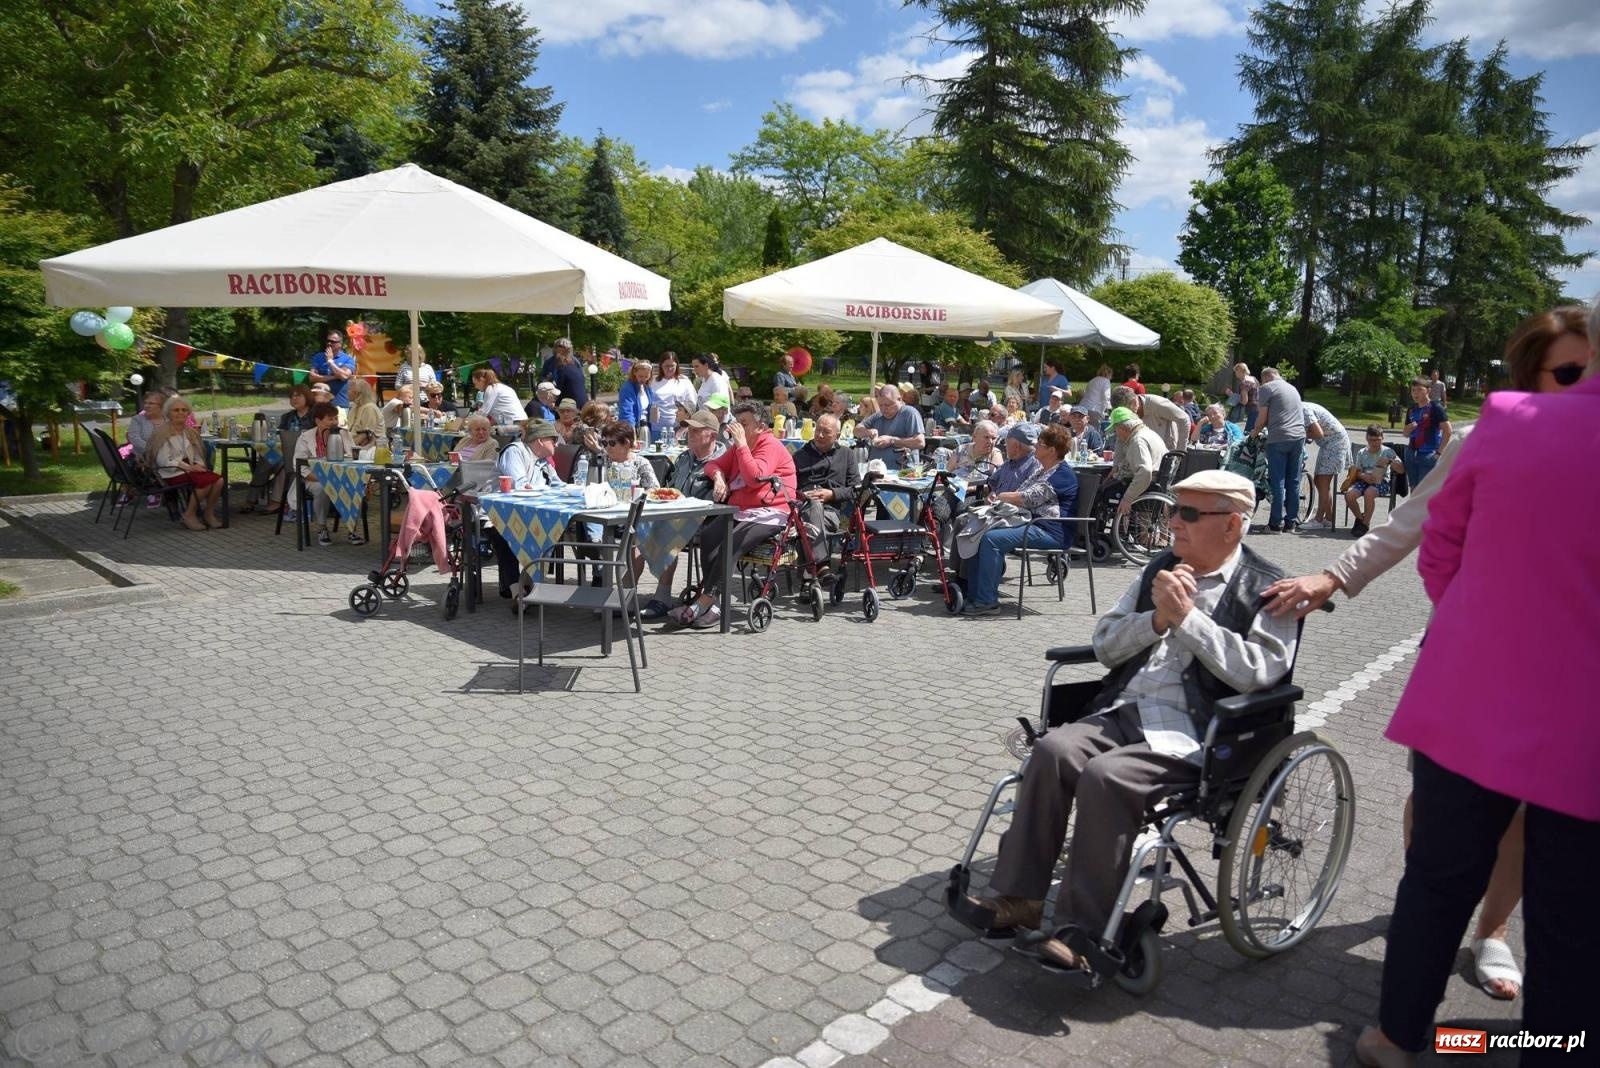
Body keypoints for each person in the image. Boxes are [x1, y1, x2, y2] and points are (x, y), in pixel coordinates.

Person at [1263, 305, 1596, 1015]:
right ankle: (1431, 921)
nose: (1586, 385)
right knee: (1446, 812)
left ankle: (1493, 928)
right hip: (1476, 661)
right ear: (1531, 375)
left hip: (1574, 689)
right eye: (1570, 372)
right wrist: (1334, 577)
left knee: (1528, 819)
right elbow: (1411, 522)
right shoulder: (1489, 433)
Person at [1354, 334, 1600, 1068]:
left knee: (1436, 878)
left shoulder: (1509, 421)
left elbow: (1439, 547)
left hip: (1472, 696)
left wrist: (1475, 624)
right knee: (1572, 923)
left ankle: (1400, 1034)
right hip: (1582, 732)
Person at [961, 470, 1298, 966]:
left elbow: (1259, 673)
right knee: (1053, 751)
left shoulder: (1270, 589)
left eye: (1186, 513)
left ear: (1231, 526)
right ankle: (1020, 900)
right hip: (1126, 709)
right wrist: (1158, 620)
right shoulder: (1160, 569)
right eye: (1171, 511)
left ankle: (1082, 932)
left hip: (1201, 733)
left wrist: (1188, 620)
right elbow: (1104, 644)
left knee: (1105, 778)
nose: (1171, 524)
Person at [668, 401, 796, 629]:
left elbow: (754, 477)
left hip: (771, 513)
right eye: (737, 423)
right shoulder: (738, 447)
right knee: (709, 536)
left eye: (744, 424)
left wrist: (742, 446)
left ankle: (704, 603)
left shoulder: (770, 446)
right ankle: (714, 599)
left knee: (731, 542)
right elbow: (713, 465)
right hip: (743, 511)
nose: (737, 429)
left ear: (761, 426)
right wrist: (718, 477)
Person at [961, 423, 1078, 615]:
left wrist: (1001, 496)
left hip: (1051, 531)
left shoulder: (1061, 475)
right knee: (980, 530)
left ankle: (987, 601)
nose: (1035, 448)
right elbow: (1021, 492)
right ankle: (973, 593)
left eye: (1039, 445)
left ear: (1052, 450)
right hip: (1033, 523)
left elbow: (1027, 498)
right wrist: (999, 495)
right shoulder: (1044, 470)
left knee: (992, 540)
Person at [639, 410, 727, 620]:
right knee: (637, 530)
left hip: (706, 520)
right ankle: (625, 594)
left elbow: (724, 499)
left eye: (697, 431)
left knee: (666, 531)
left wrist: (719, 477)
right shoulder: (684, 457)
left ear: (712, 435)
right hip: (676, 513)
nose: (690, 434)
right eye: (690, 430)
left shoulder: (724, 460)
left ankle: (662, 596)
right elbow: (671, 488)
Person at [490, 420, 565, 600]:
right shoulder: (515, 451)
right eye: (553, 440)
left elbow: (558, 485)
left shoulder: (543, 461)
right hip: (499, 514)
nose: (557, 444)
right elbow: (520, 485)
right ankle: (518, 591)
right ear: (540, 440)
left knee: (551, 529)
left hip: (531, 515)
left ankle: (530, 583)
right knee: (507, 534)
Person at [287, 401, 361, 546]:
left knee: (355, 487)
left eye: (335, 418)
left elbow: (352, 456)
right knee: (322, 489)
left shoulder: (343, 433)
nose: (334, 422)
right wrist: (323, 478)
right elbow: (299, 466)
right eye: (330, 419)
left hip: (340, 476)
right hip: (314, 478)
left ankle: (352, 530)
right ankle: (322, 528)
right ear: (318, 421)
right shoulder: (305, 437)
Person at [147, 395, 226, 531]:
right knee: (205, 482)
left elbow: (197, 454)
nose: (180, 413)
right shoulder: (162, 433)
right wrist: (189, 467)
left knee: (219, 481)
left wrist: (199, 464)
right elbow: (163, 461)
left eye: (184, 410)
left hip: (188, 469)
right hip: (169, 471)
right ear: (168, 413)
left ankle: (208, 513)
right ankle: (189, 515)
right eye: (176, 410)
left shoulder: (189, 432)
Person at [791, 413, 855, 568]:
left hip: (830, 513)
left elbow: (856, 489)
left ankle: (810, 575)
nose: (820, 435)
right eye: (818, 430)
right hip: (802, 508)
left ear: (837, 435)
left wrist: (832, 494)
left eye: (826, 432)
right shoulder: (799, 456)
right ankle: (820, 567)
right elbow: (789, 488)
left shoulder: (846, 454)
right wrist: (802, 495)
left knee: (805, 527)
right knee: (811, 509)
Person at [1251, 367, 1305, 532]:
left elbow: (1262, 417)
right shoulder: (1292, 388)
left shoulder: (1267, 388)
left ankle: (1276, 523)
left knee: (1277, 481)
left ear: (1265, 378)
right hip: (1299, 437)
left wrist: (1255, 432)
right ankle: (1291, 522)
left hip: (1279, 438)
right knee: (1294, 480)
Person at [1296, 399, 1350, 531]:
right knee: (1319, 481)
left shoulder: (1304, 409)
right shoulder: (1302, 407)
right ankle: (1329, 518)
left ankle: (1319, 520)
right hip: (1329, 443)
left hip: (1334, 443)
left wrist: (1303, 434)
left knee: (1323, 481)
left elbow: (1318, 433)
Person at [1103, 407, 1166, 518]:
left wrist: (1127, 498)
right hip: (1159, 483)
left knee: (1102, 493)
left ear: (1123, 428)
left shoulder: (1137, 441)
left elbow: (1145, 472)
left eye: (1115, 429)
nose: (1116, 434)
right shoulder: (1149, 433)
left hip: (1147, 485)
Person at [1343, 426, 1402, 537]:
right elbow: (1357, 471)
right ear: (1367, 438)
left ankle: (1365, 524)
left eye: (1377, 440)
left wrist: (1390, 461)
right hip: (1364, 480)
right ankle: (1361, 519)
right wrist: (1363, 476)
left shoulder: (1388, 451)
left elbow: (1401, 469)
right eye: (1371, 440)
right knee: (1349, 495)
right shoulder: (1362, 452)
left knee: (1369, 493)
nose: (1374, 443)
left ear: (1382, 438)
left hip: (1382, 481)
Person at [857, 383, 926, 470]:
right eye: (880, 405)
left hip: (902, 474)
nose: (883, 408)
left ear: (899, 399)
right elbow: (856, 431)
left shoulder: (909, 413)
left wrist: (892, 441)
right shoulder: (878, 415)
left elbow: (920, 442)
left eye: (887, 405)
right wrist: (868, 432)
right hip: (876, 472)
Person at [1402, 376, 1451, 491]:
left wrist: (1439, 453)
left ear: (1428, 391)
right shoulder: (1412, 409)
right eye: (1413, 390)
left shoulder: (1435, 408)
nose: (1415, 393)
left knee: (1424, 492)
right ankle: (1413, 509)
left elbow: (1448, 431)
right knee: (1413, 490)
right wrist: (1408, 428)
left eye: (1419, 390)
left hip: (1428, 454)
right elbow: (1405, 434)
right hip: (1411, 454)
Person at [1112, 385, 1188, 454]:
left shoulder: (1157, 404)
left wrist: (1180, 453)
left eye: (1127, 411)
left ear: (1134, 402)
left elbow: (1184, 419)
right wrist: (1116, 465)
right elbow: (1121, 437)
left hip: (1166, 455)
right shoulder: (1126, 410)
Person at [309, 329, 357, 408]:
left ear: (340, 344)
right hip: (319, 403)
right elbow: (312, 377)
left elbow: (344, 376)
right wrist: (335, 376)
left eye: (333, 341)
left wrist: (330, 362)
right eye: (328, 341)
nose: (329, 343)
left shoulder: (348, 359)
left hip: (340, 404)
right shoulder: (318, 357)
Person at [125, 391, 166, 465]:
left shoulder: (169, 420)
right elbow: (135, 440)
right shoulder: (137, 420)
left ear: (161, 406)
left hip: (169, 459)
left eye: (151, 403)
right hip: (142, 460)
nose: (146, 406)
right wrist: (155, 451)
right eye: (145, 403)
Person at [345, 378, 384, 448]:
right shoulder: (355, 406)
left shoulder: (369, 409)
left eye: (349, 390)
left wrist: (347, 447)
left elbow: (365, 435)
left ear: (357, 393)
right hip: (356, 446)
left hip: (374, 449)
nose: (347, 392)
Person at [551, 337, 589, 409]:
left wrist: (554, 403)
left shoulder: (562, 369)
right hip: (584, 402)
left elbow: (559, 389)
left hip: (572, 404)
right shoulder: (576, 366)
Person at [617, 359, 653, 431]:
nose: (643, 379)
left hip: (645, 426)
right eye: (640, 376)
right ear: (634, 372)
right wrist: (632, 433)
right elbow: (626, 412)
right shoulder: (627, 388)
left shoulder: (646, 387)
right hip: (633, 427)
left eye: (646, 376)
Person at [1231, 362, 1260, 426]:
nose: (1235, 373)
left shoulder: (1244, 383)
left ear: (1240, 371)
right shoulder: (1254, 379)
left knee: (1249, 432)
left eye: (1236, 371)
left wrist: (1232, 395)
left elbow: (1244, 401)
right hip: (1259, 407)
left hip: (1252, 409)